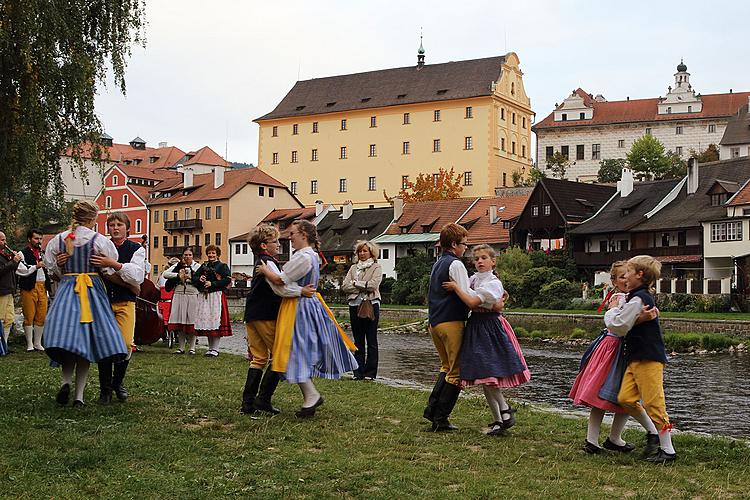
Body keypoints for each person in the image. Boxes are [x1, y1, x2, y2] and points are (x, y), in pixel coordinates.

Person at [256, 219, 358, 418]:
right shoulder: (306, 256)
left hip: (299, 307)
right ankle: (310, 396)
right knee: (294, 350)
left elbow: (281, 284)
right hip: (299, 304)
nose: (289, 237)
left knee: (294, 349)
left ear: (303, 234)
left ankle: (311, 396)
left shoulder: (304, 258)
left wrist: (267, 271)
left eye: (293, 233)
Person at [43, 201, 128, 406]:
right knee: (86, 341)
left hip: (67, 290)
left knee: (68, 340)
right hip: (91, 291)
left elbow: (51, 269)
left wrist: (62, 267)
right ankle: (79, 397)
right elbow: (108, 270)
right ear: (93, 218)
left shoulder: (60, 239)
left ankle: (65, 382)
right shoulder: (98, 240)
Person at [570, 261, 659, 454]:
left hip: (624, 349)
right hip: (613, 349)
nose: (625, 279)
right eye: (621, 276)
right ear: (613, 281)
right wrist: (642, 318)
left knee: (625, 398)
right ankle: (593, 440)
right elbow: (619, 324)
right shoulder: (620, 298)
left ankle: (613, 438)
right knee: (601, 395)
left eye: (627, 275)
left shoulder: (633, 297)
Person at [443, 244, 530, 436]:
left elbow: (473, 301)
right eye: (477, 259)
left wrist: (458, 288)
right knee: (485, 377)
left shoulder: (493, 282)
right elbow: (474, 297)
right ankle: (499, 419)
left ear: (493, 261)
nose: (480, 261)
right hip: (476, 326)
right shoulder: (473, 279)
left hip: (490, 328)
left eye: (484, 258)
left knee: (490, 374)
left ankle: (505, 410)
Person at [607, 255, 676, 464]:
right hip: (635, 358)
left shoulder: (638, 299)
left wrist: (611, 311)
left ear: (640, 275)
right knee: (626, 398)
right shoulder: (636, 297)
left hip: (648, 358)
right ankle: (653, 433)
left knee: (655, 403)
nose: (624, 276)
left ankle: (668, 450)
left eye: (628, 272)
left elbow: (619, 325)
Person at [240, 224, 316, 415]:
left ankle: (247, 404)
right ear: (264, 245)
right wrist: (301, 291)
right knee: (280, 354)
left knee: (258, 358)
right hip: (265, 314)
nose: (279, 244)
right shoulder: (268, 263)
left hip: (252, 314)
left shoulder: (260, 261)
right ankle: (263, 399)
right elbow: (279, 287)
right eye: (274, 241)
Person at [423, 223, 471, 432]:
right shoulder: (456, 264)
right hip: (452, 321)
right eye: (464, 244)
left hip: (436, 322)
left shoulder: (438, 263)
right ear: (454, 244)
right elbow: (466, 294)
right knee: (456, 372)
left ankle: (432, 410)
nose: (466, 248)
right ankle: (441, 417)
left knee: (446, 367)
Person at [94, 212, 146, 403]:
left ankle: (118, 382)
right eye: (112, 225)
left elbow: (136, 277)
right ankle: (105, 389)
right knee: (104, 345)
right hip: (103, 302)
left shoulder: (136, 249)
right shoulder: (101, 247)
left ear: (127, 228)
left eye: (119, 225)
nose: (115, 228)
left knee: (125, 343)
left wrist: (113, 264)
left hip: (126, 302)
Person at [341, 240, 383, 380]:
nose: (362, 254)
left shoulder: (376, 267)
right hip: (354, 305)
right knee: (358, 340)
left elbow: (373, 285)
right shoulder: (353, 268)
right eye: (360, 251)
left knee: (371, 339)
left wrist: (356, 283)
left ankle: (370, 374)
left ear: (371, 252)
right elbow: (345, 286)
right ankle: (358, 372)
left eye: (365, 251)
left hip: (371, 305)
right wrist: (361, 285)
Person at [192, 244, 231, 357]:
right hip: (205, 297)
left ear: (217, 255)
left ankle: (216, 349)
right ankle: (210, 348)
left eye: (213, 253)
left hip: (216, 296)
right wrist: (200, 279)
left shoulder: (222, 266)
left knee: (215, 321)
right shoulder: (203, 266)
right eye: (209, 253)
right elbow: (194, 277)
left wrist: (213, 283)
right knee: (208, 322)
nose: (211, 255)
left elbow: (227, 280)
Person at [16, 228, 49, 351]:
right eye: (36, 238)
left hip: (42, 285)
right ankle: (29, 343)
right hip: (29, 286)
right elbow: (20, 270)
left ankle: (37, 342)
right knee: (29, 314)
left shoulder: (43, 253)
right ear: (29, 239)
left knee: (41, 314)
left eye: (40, 239)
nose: (39, 241)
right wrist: (36, 266)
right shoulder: (22, 253)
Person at [162, 249, 201, 354]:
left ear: (193, 256)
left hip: (192, 293)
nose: (187, 257)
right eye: (185, 255)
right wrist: (178, 275)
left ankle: (192, 348)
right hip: (179, 293)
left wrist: (191, 277)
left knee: (192, 321)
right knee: (180, 320)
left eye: (189, 255)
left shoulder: (197, 266)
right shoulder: (178, 265)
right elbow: (165, 274)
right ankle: (181, 347)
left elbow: (200, 278)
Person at [0, 232, 22, 341]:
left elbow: (12, 269)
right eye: (2, 240)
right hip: (2, 290)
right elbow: (1, 270)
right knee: (1, 318)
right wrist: (12, 261)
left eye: (4, 240)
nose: (5, 242)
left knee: (9, 318)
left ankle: (4, 344)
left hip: (9, 289)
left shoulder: (4, 254)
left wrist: (16, 261)